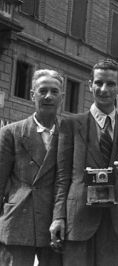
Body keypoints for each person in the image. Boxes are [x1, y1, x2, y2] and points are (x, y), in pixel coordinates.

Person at [49, 59, 118, 266]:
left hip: (117, 222)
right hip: (78, 219)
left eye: (111, 84)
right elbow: (62, 177)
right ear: (90, 85)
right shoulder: (70, 124)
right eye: (99, 83)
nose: (104, 89)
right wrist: (58, 217)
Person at [0, 69, 64, 265]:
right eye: (42, 90)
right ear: (32, 94)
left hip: (54, 221)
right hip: (18, 219)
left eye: (54, 91)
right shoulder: (11, 133)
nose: (48, 96)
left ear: (61, 97)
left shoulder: (69, 135)